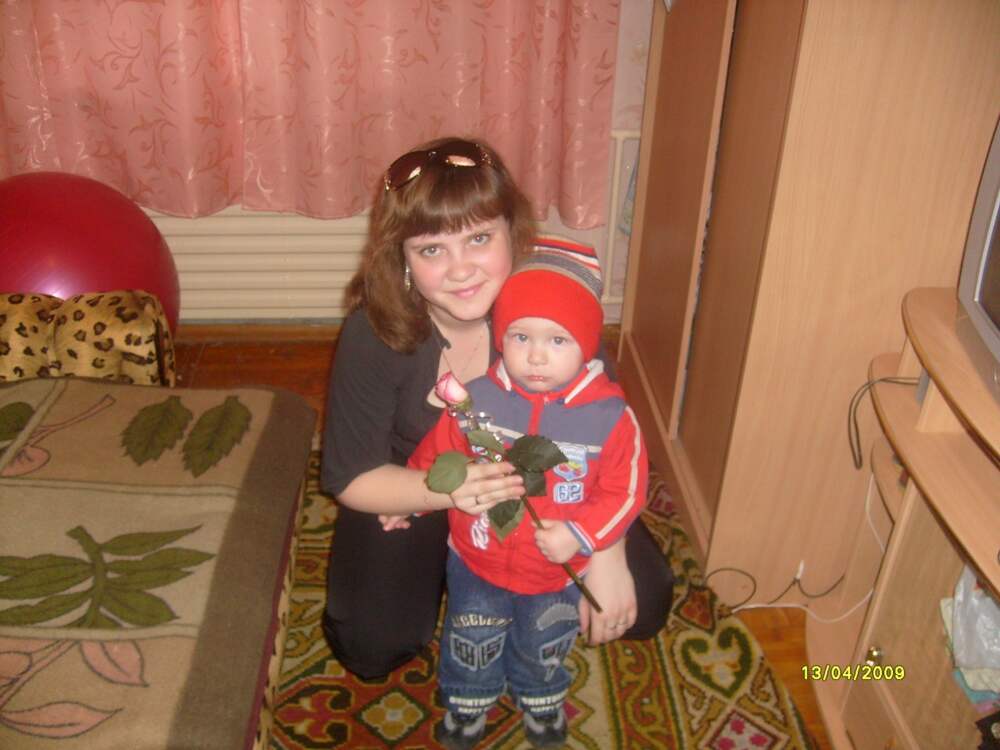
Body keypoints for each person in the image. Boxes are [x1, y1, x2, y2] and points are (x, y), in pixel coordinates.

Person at [320, 136, 674, 681]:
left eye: (479, 238)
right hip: (415, 487)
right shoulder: (372, 334)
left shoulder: (550, 305)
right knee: (372, 647)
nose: (460, 269)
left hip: (546, 490)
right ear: (403, 258)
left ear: (514, 233)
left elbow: (607, 436)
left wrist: (604, 549)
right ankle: (453, 569)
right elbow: (351, 475)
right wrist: (440, 491)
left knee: (644, 604)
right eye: (431, 249)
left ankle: (468, 576)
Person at [395, 242, 648, 749]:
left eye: (557, 339)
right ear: (501, 336)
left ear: (586, 343)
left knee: (544, 637)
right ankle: (469, 700)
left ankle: (541, 693)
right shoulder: (478, 399)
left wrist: (582, 534)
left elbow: (625, 491)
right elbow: (440, 451)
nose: (535, 355)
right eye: (520, 336)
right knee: (472, 632)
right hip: (477, 556)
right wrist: (410, 498)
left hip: (555, 569)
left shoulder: (610, 418)